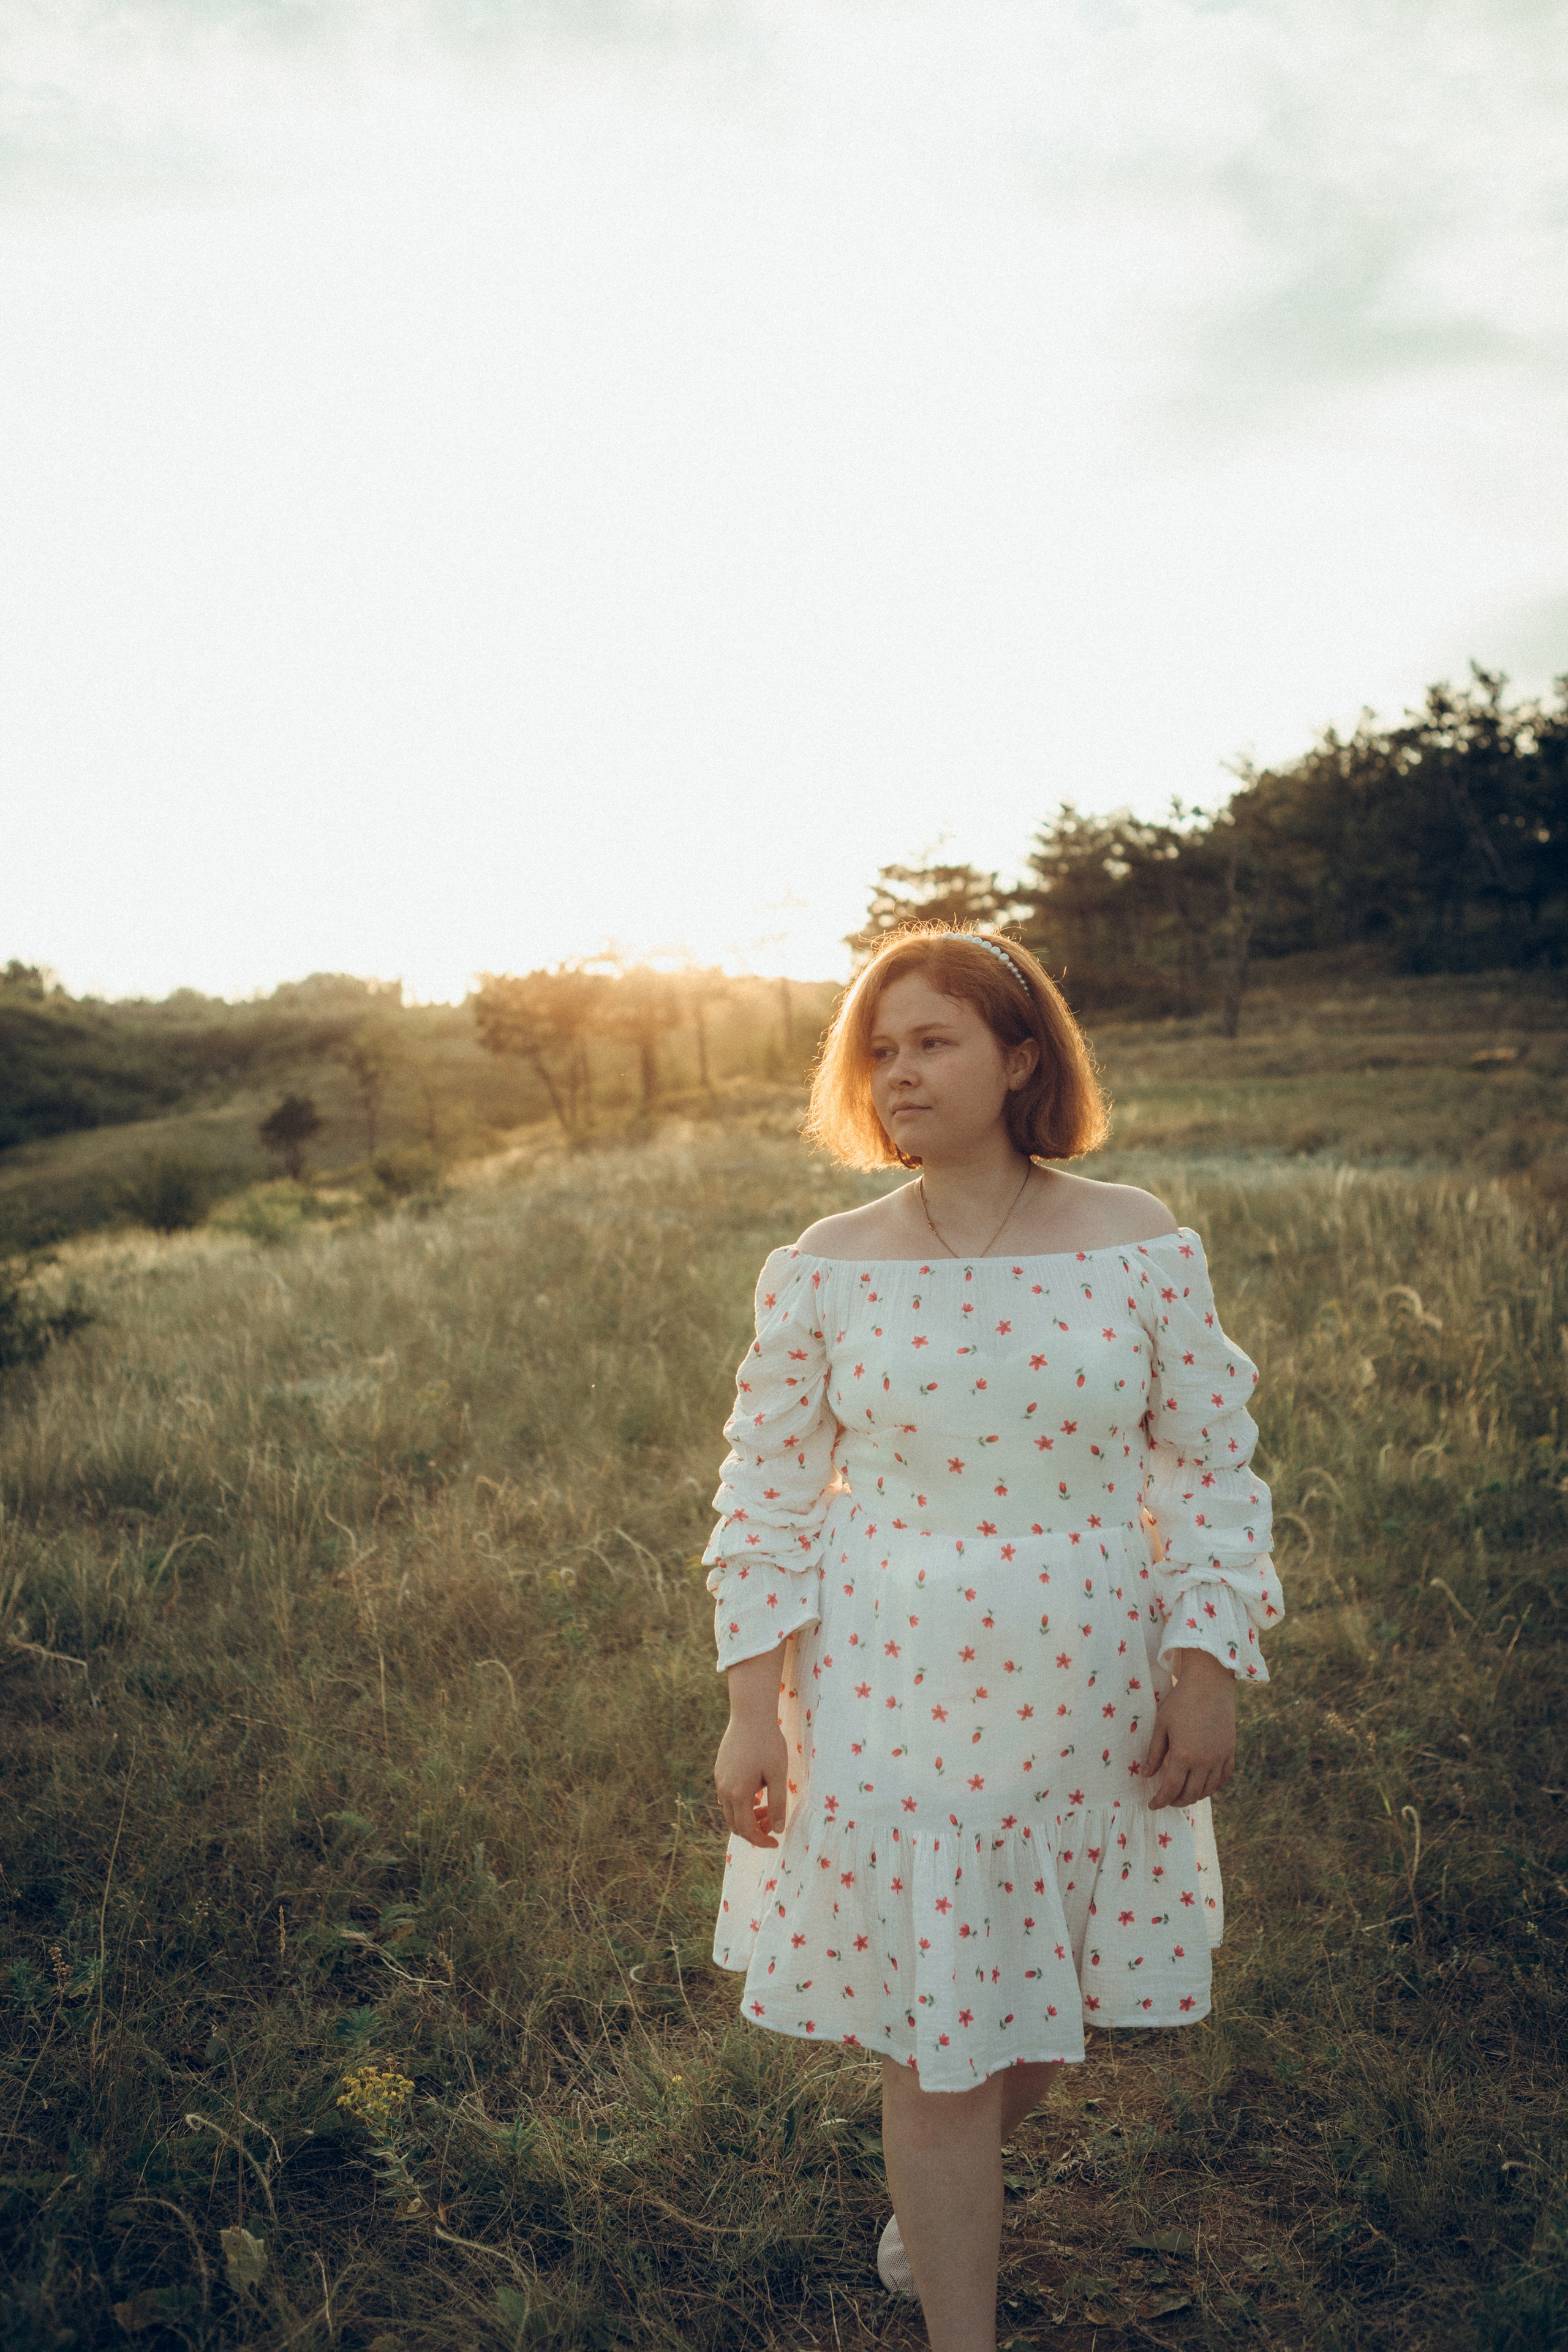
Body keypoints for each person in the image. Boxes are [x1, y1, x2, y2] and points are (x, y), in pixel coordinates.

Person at [702, 925, 1283, 2352]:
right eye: (877, 1050)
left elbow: (1208, 1466)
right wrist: (750, 1706)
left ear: (1020, 1059)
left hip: (1086, 1667)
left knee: (1046, 2001)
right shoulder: (825, 1265)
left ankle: (930, 2196)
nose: (896, 1073)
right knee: (938, 2037)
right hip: (891, 1672)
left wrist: (1204, 1665)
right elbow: (763, 1497)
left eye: (932, 1042)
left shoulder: (1134, 1240)